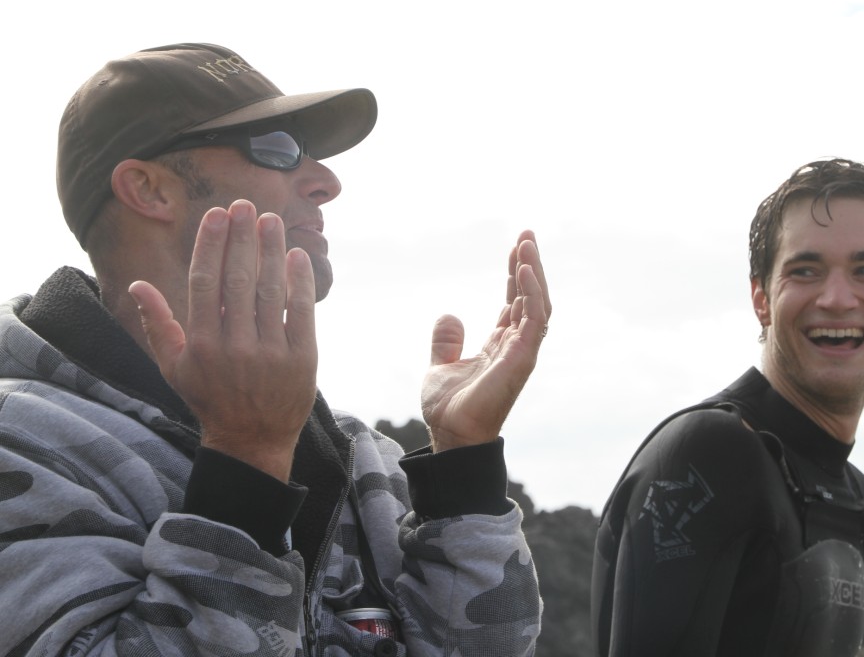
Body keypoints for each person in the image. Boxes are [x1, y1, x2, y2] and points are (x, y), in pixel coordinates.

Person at [0, 43, 550, 656]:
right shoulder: (20, 442)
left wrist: (462, 469)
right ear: (148, 189)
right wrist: (247, 459)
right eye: (278, 147)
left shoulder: (361, 457)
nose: (327, 182)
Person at [592, 158, 864, 656]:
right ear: (761, 298)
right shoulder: (711, 452)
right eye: (805, 270)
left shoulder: (849, 491)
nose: (837, 298)